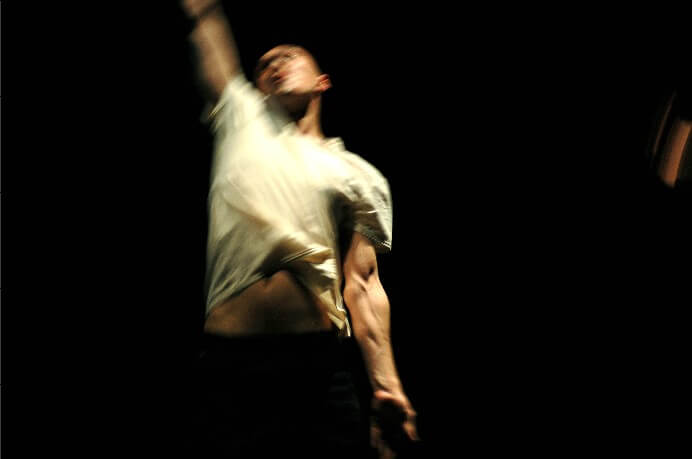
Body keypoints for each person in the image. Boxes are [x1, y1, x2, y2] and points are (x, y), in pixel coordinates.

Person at [181, 1, 420, 457]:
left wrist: (388, 386)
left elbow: (364, 285)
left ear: (322, 82)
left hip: (317, 371)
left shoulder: (358, 174)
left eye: (289, 56)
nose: (275, 63)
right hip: (229, 367)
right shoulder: (240, 115)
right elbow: (205, 21)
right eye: (264, 64)